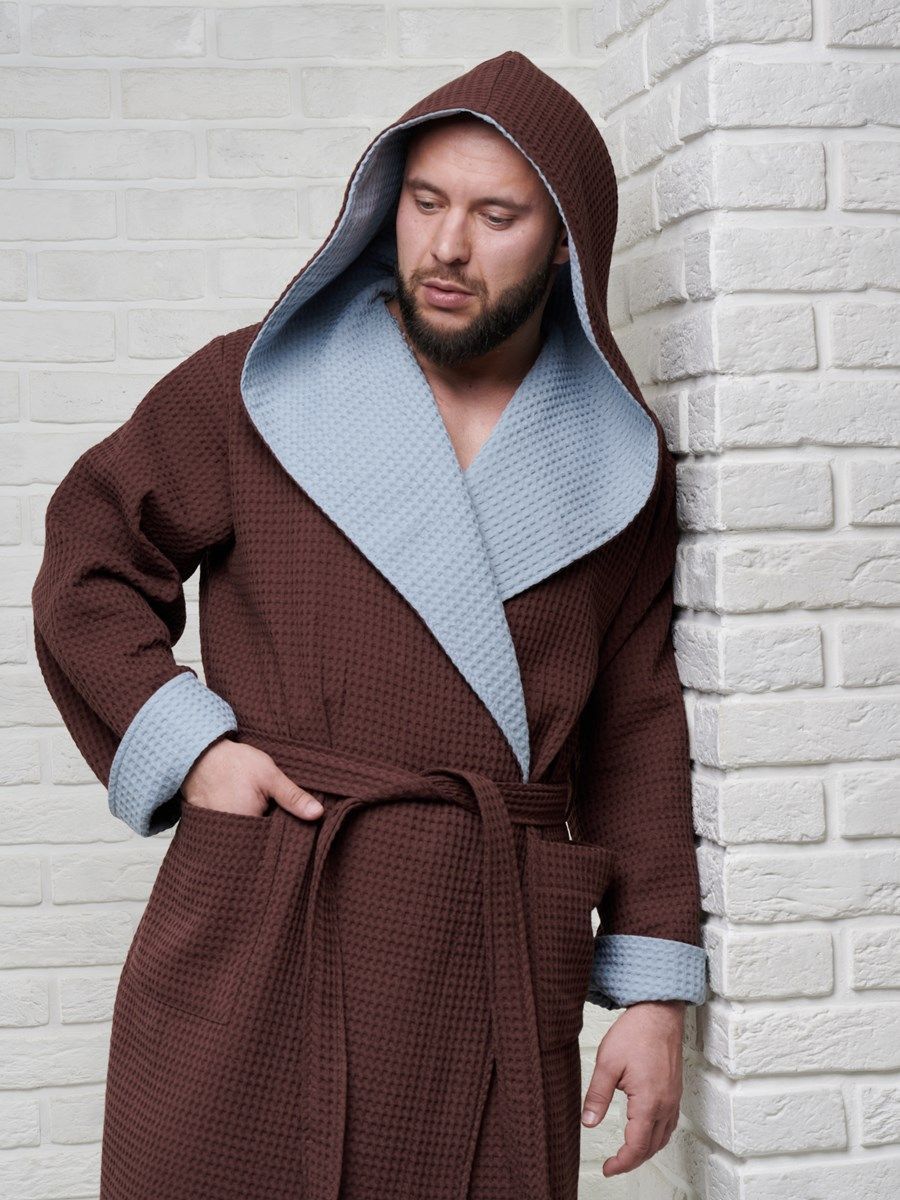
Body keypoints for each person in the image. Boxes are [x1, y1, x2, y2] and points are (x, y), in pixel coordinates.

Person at [31, 49, 707, 1200]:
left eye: (496, 216)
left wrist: (651, 994)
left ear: (565, 244)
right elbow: (90, 560)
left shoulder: (616, 464)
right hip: (269, 907)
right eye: (426, 202)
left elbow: (637, 729)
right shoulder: (259, 387)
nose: (447, 246)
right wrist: (194, 750)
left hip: (483, 949)